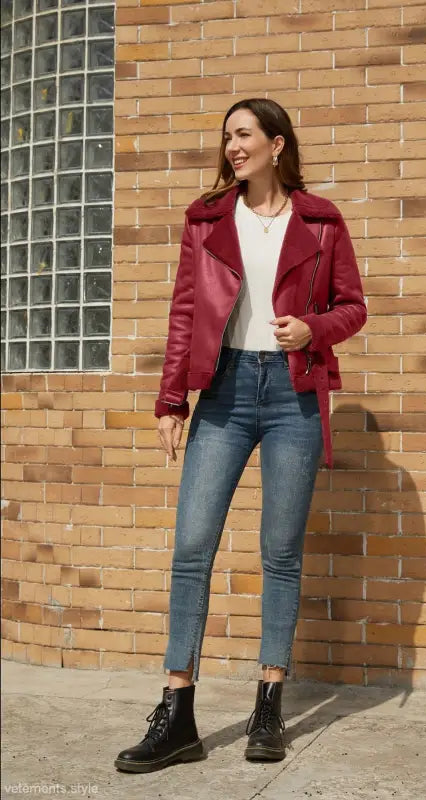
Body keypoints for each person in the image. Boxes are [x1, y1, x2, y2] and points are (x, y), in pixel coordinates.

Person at [114, 98, 367, 773]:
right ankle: (177, 712)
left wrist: (314, 329)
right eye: (226, 136)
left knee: (279, 552)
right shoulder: (205, 219)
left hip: (293, 397)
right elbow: (184, 310)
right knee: (192, 547)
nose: (231, 146)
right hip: (223, 391)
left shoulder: (320, 220)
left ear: (276, 145)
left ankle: (268, 703)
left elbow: (353, 305)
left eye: (244, 135)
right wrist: (171, 399)